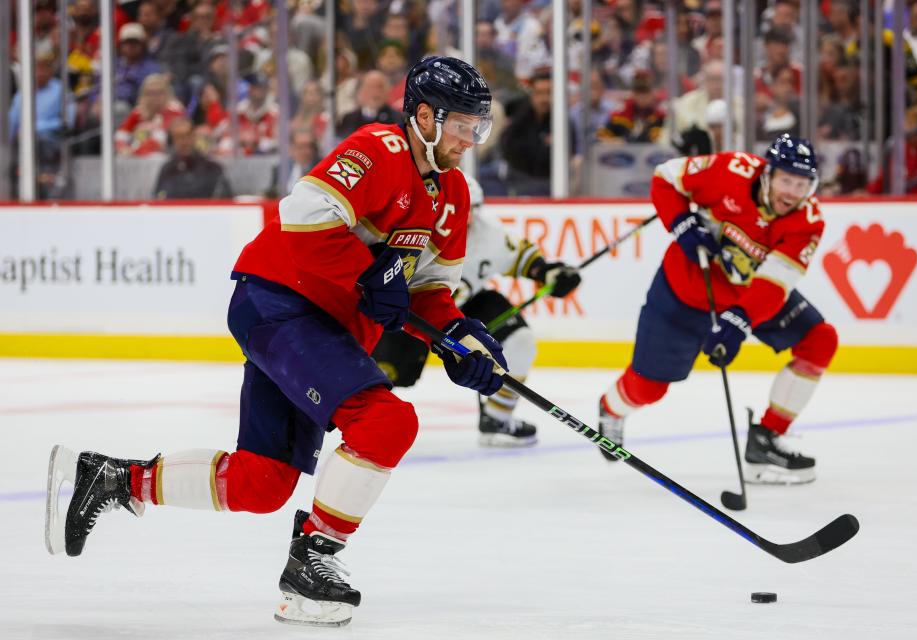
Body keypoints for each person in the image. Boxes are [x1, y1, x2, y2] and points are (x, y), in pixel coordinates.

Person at [46, 56, 501, 627]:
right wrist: (370, 276)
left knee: (262, 484)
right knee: (386, 422)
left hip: (322, 325)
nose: (469, 139)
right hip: (279, 303)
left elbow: (429, 290)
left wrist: (459, 339)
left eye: (477, 127)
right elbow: (303, 216)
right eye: (461, 124)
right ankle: (312, 561)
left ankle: (114, 478)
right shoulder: (378, 149)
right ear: (425, 116)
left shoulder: (454, 193)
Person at [596, 135, 837, 485]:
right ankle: (611, 408)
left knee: (820, 340)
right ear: (768, 173)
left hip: (747, 294)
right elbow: (666, 177)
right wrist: (681, 224)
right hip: (685, 289)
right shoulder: (729, 170)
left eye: (802, 184)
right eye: (786, 180)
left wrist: (739, 321)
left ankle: (767, 439)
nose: (792, 192)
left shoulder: (808, 219)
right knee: (648, 388)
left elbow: (775, 281)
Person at [372, 173, 582, 447]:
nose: (463, 217)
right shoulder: (412, 230)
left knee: (520, 341)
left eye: (471, 210)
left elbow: (522, 259)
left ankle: (497, 418)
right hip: (411, 311)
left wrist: (550, 272)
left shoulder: (489, 234)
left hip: (464, 308)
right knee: (383, 375)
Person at [153, 117, 233, 199]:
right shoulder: (167, 170)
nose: (184, 142)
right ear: (173, 141)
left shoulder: (213, 169)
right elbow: (158, 201)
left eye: (187, 135)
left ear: (194, 137)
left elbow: (226, 204)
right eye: (179, 137)